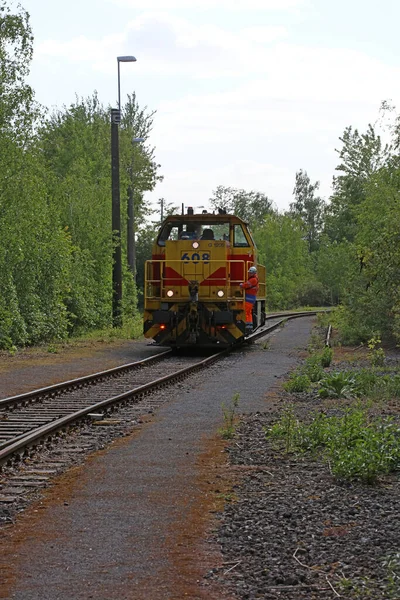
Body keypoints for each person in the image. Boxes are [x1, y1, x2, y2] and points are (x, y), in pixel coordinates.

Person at [240, 266, 259, 334]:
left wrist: (241, 285)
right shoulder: (254, 279)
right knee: (248, 313)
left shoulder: (253, 279)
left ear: (253, 273)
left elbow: (246, 285)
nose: (249, 274)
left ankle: (247, 328)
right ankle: (249, 327)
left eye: (250, 273)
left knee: (246, 312)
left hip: (249, 299)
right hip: (250, 299)